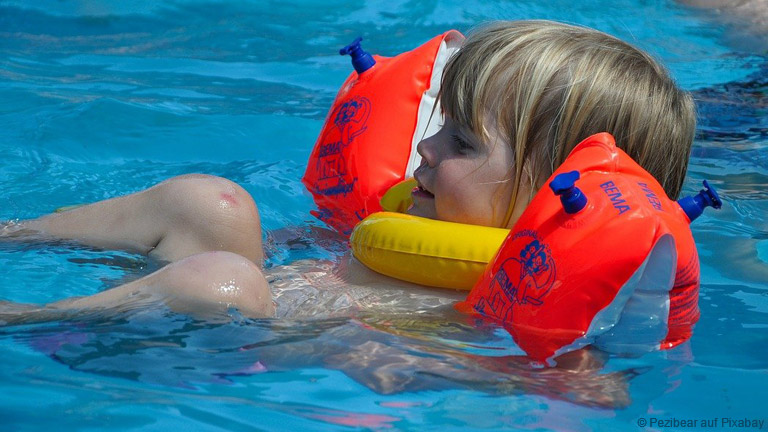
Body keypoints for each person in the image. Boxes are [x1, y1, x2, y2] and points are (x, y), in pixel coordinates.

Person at [0, 20, 695, 326]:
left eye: (459, 142)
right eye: (435, 126)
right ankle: (14, 233)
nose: (424, 150)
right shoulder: (398, 223)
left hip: (230, 342)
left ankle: (25, 319)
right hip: (196, 305)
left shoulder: (511, 309)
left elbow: (577, 389)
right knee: (213, 204)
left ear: (554, 191)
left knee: (224, 282)